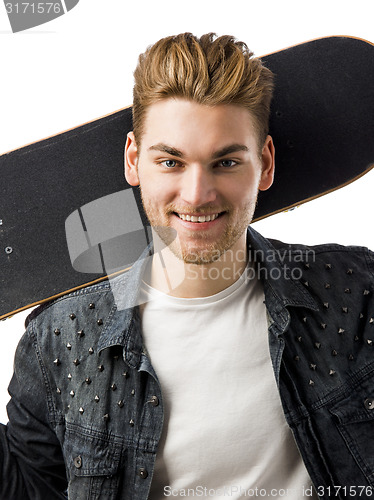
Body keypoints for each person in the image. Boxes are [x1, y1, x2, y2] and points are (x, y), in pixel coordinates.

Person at [1, 32, 374, 500]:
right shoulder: (60, 337)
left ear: (265, 162)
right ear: (135, 161)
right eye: (171, 162)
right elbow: (30, 489)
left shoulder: (355, 292)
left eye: (226, 163)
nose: (198, 194)